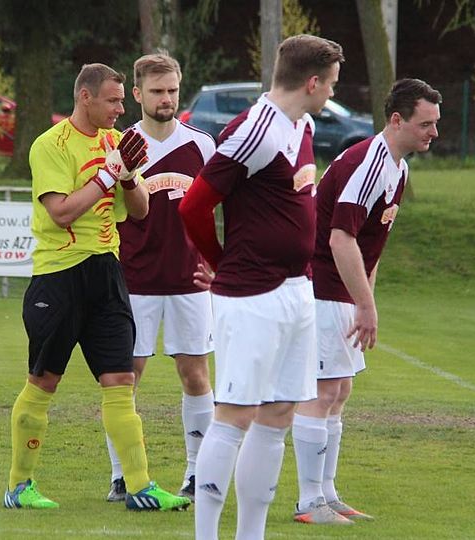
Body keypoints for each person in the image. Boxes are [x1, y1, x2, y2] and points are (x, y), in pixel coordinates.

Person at [3, 62, 191, 513]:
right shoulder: (50, 145)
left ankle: (140, 487)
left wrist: (126, 176)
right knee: (44, 382)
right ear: (84, 97)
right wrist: (107, 175)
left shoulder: (114, 143)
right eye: (112, 100)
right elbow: (61, 213)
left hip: (107, 273)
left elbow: (141, 211)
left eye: (122, 100)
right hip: (59, 277)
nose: (120, 109)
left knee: (121, 381)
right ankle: (19, 486)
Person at [178, 34, 345, 539]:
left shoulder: (304, 125)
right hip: (252, 296)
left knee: (278, 413)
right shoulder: (255, 129)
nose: (332, 92)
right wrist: (222, 263)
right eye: (331, 83)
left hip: (298, 291)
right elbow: (193, 206)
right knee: (235, 415)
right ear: (312, 82)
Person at [291, 78, 442, 524]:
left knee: (340, 389)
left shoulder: (399, 168)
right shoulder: (369, 162)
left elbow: (369, 247)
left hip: (342, 291)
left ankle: (327, 493)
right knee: (322, 391)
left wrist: (364, 299)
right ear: (396, 120)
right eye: (426, 124)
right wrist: (367, 305)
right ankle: (308, 502)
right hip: (321, 286)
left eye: (435, 123)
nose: (434, 132)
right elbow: (340, 238)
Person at [104, 53, 217, 504]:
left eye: (172, 90)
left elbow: (222, 206)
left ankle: (197, 473)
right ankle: (122, 476)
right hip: (134, 280)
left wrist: (219, 259)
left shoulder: (203, 146)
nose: (166, 98)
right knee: (125, 377)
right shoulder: (121, 145)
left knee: (195, 374)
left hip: (191, 280)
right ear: (137, 94)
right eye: (156, 91)